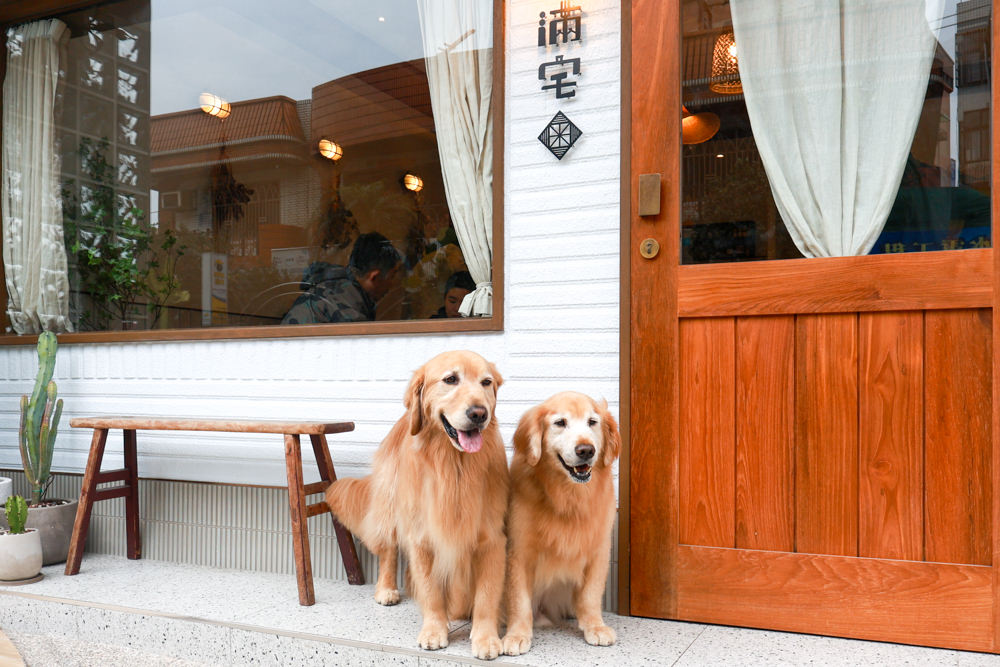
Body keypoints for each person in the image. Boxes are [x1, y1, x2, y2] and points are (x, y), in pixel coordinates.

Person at [282, 232, 403, 324]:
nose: (391, 285)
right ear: (374, 277)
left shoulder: (333, 288)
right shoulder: (347, 313)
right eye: (391, 276)